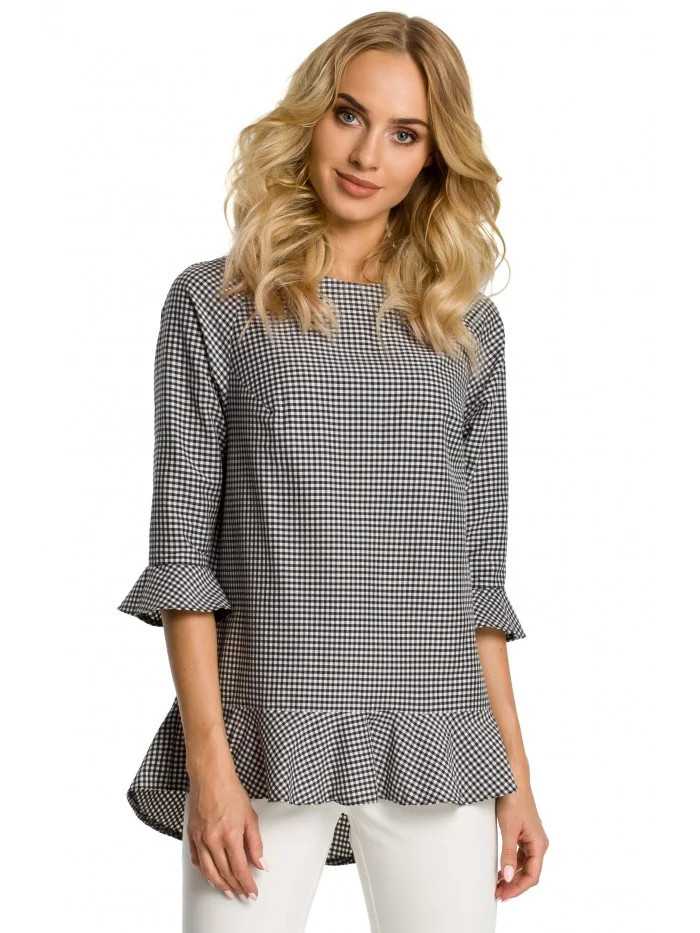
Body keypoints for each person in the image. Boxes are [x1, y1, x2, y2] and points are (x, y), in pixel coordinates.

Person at [117, 11, 549, 932]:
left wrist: (514, 777)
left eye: (405, 133)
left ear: (434, 157)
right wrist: (210, 768)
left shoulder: (467, 327)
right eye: (349, 115)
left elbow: (477, 581)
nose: (366, 155)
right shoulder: (214, 304)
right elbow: (182, 559)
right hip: (262, 738)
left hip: (439, 739)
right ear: (311, 116)